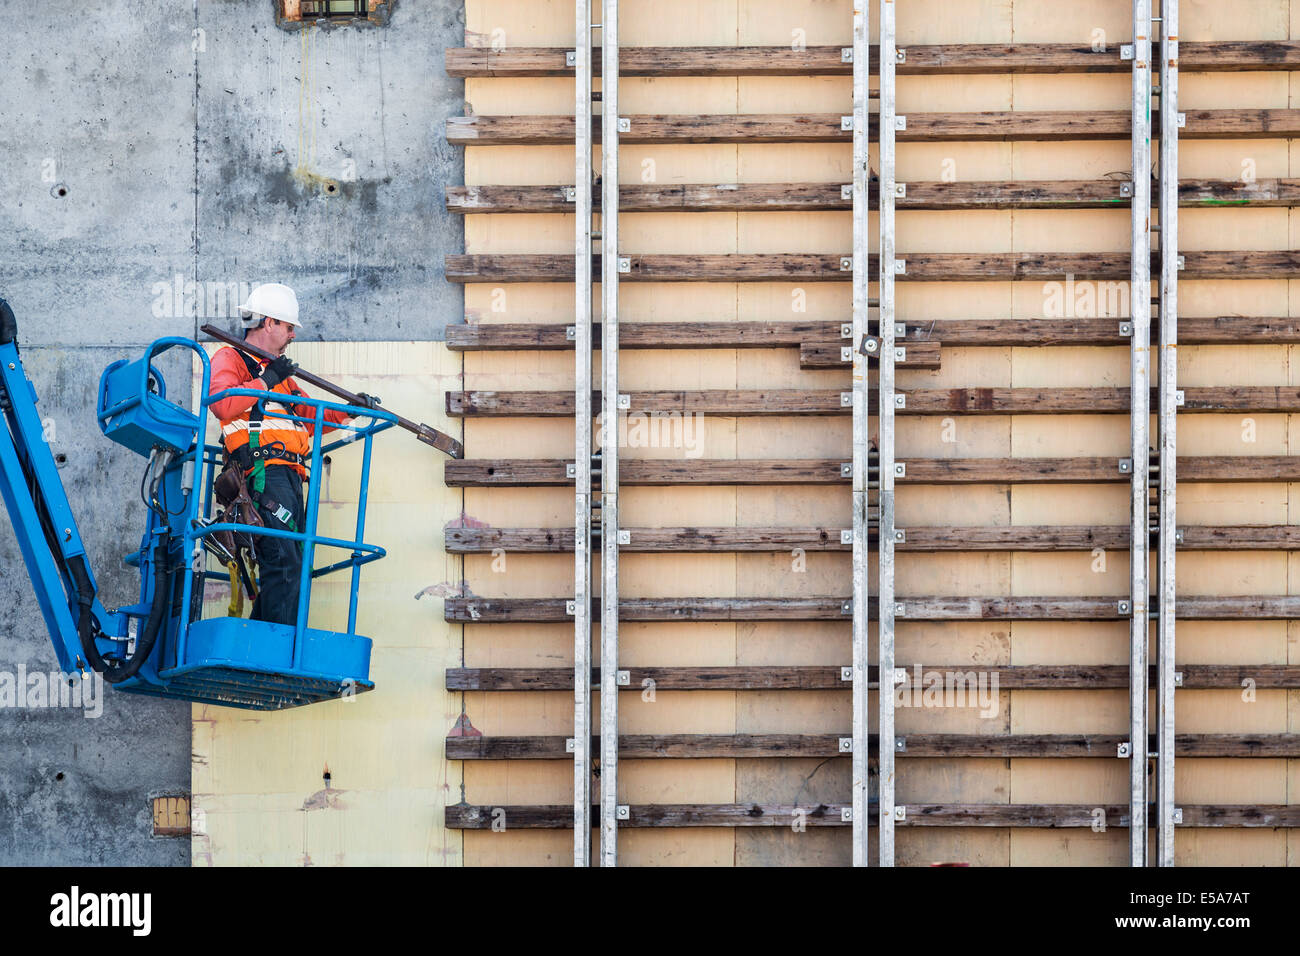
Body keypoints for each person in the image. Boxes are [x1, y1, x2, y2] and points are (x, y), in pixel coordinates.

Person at [207, 283, 378, 626]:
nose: (292, 336)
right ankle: (275, 654)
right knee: (285, 564)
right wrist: (265, 381)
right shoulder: (232, 358)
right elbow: (223, 404)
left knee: (290, 566)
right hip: (261, 476)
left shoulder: (280, 376)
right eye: (288, 327)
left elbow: (309, 418)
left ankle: (260, 646)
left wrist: (348, 411)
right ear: (268, 323)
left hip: (291, 479)